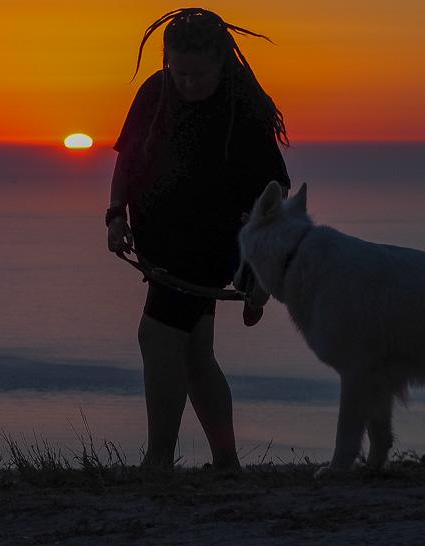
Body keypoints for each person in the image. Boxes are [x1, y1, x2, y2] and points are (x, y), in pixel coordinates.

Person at [106, 8, 290, 470]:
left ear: (223, 59)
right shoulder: (155, 91)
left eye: (197, 74)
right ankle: (226, 461)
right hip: (160, 242)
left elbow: (275, 188)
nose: (186, 83)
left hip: (213, 243)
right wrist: (114, 215)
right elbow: (126, 161)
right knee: (194, 354)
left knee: (156, 335)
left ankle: (158, 461)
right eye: (177, 70)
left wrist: (259, 260)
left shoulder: (242, 106)